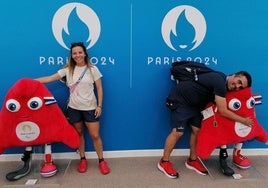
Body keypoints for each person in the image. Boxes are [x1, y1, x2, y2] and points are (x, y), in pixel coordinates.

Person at [158, 69, 252, 178]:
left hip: (195, 106)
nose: (237, 86)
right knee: (178, 132)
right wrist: (243, 120)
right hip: (180, 100)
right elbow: (223, 111)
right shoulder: (219, 82)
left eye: (241, 87)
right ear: (234, 75)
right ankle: (164, 162)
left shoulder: (224, 84)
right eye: (239, 81)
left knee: (197, 130)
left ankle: (192, 160)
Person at [35, 42, 110, 175]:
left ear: (85, 53)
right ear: (71, 55)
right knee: (79, 133)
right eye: (74, 53)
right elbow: (50, 78)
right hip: (74, 108)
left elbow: (99, 88)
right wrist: (30, 81)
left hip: (90, 108)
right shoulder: (67, 69)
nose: (77, 55)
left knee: (95, 135)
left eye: (80, 52)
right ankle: (82, 159)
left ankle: (101, 160)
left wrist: (99, 105)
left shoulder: (93, 69)